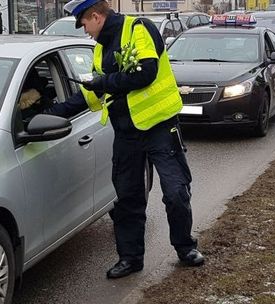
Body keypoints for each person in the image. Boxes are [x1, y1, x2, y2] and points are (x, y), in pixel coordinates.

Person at [44, 0, 204, 279]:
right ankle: (130, 258)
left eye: (84, 23)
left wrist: (104, 83)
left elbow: (145, 73)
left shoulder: (139, 29)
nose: (85, 31)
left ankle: (185, 247)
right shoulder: (100, 50)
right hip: (126, 133)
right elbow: (92, 94)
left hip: (159, 128)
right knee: (128, 198)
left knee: (176, 193)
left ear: (96, 16)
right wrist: (54, 112)